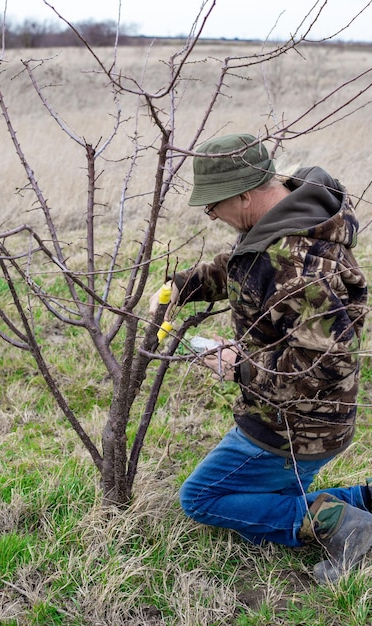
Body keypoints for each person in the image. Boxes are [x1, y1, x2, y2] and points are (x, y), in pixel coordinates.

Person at [150, 133, 372, 583]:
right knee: (269, 498)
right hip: (300, 416)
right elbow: (246, 267)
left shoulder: (298, 265)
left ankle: (347, 529)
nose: (211, 214)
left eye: (214, 205)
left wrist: (241, 367)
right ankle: (366, 500)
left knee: (203, 497)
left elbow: (330, 365)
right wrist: (185, 285)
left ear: (245, 194)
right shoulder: (279, 217)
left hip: (298, 424)